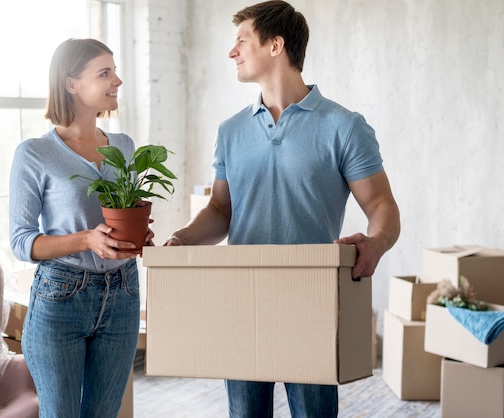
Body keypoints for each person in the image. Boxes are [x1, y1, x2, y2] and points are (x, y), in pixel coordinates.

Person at [165, 1, 401, 417]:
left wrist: (377, 242)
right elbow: (221, 209)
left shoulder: (343, 126)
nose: (232, 52)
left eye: (241, 40)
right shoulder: (231, 130)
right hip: (241, 298)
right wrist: (183, 238)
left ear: (276, 46)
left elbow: (381, 205)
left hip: (311, 301)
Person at [9, 38, 147, 418]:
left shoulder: (123, 145)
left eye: (115, 71)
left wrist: (140, 235)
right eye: (105, 73)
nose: (117, 80)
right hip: (61, 297)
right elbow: (21, 242)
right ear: (71, 84)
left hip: (123, 292)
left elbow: (127, 212)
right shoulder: (35, 153)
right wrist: (87, 239)